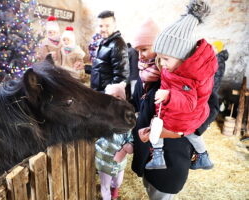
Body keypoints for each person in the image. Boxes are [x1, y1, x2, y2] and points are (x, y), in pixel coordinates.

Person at [130, 1, 220, 199]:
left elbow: (212, 105)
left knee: (161, 193)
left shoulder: (186, 77)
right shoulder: (144, 77)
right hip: (147, 154)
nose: (141, 56)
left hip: (171, 161)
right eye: (137, 50)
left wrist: (179, 132)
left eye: (145, 49)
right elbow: (137, 105)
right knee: (149, 188)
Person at [95, 84, 133, 200]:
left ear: (124, 99)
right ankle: (107, 197)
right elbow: (95, 133)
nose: (115, 98)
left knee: (118, 181)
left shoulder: (128, 117)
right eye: (111, 96)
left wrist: (129, 145)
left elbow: (131, 135)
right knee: (105, 184)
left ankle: (115, 191)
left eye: (119, 96)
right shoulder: (101, 116)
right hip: (104, 159)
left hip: (120, 160)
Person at [90, 10, 129, 94]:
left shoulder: (118, 44)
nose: (103, 29)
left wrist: (109, 95)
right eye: (100, 26)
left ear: (114, 26)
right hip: (97, 91)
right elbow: (102, 67)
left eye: (107, 26)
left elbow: (121, 76)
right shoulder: (102, 41)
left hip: (106, 95)